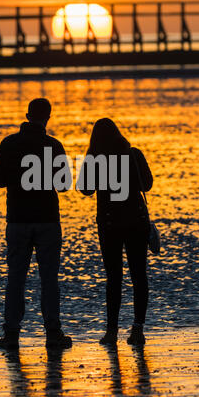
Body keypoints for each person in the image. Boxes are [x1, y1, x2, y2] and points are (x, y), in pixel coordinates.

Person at [0, 98, 72, 350]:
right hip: (47, 219)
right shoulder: (53, 146)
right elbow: (64, 184)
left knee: (16, 278)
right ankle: (53, 333)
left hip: (17, 219)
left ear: (27, 116)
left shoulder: (9, 143)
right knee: (49, 279)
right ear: (48, 117)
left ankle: (12, 335)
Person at [77, 118, 153, 345]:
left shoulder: (95, 160)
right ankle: (138, 328)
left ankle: (111, 331)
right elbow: (147, 184)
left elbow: (85, 189)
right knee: (139, 275)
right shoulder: (134, 154)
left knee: (114, 277)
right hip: (136, 221)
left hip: (110, 224)